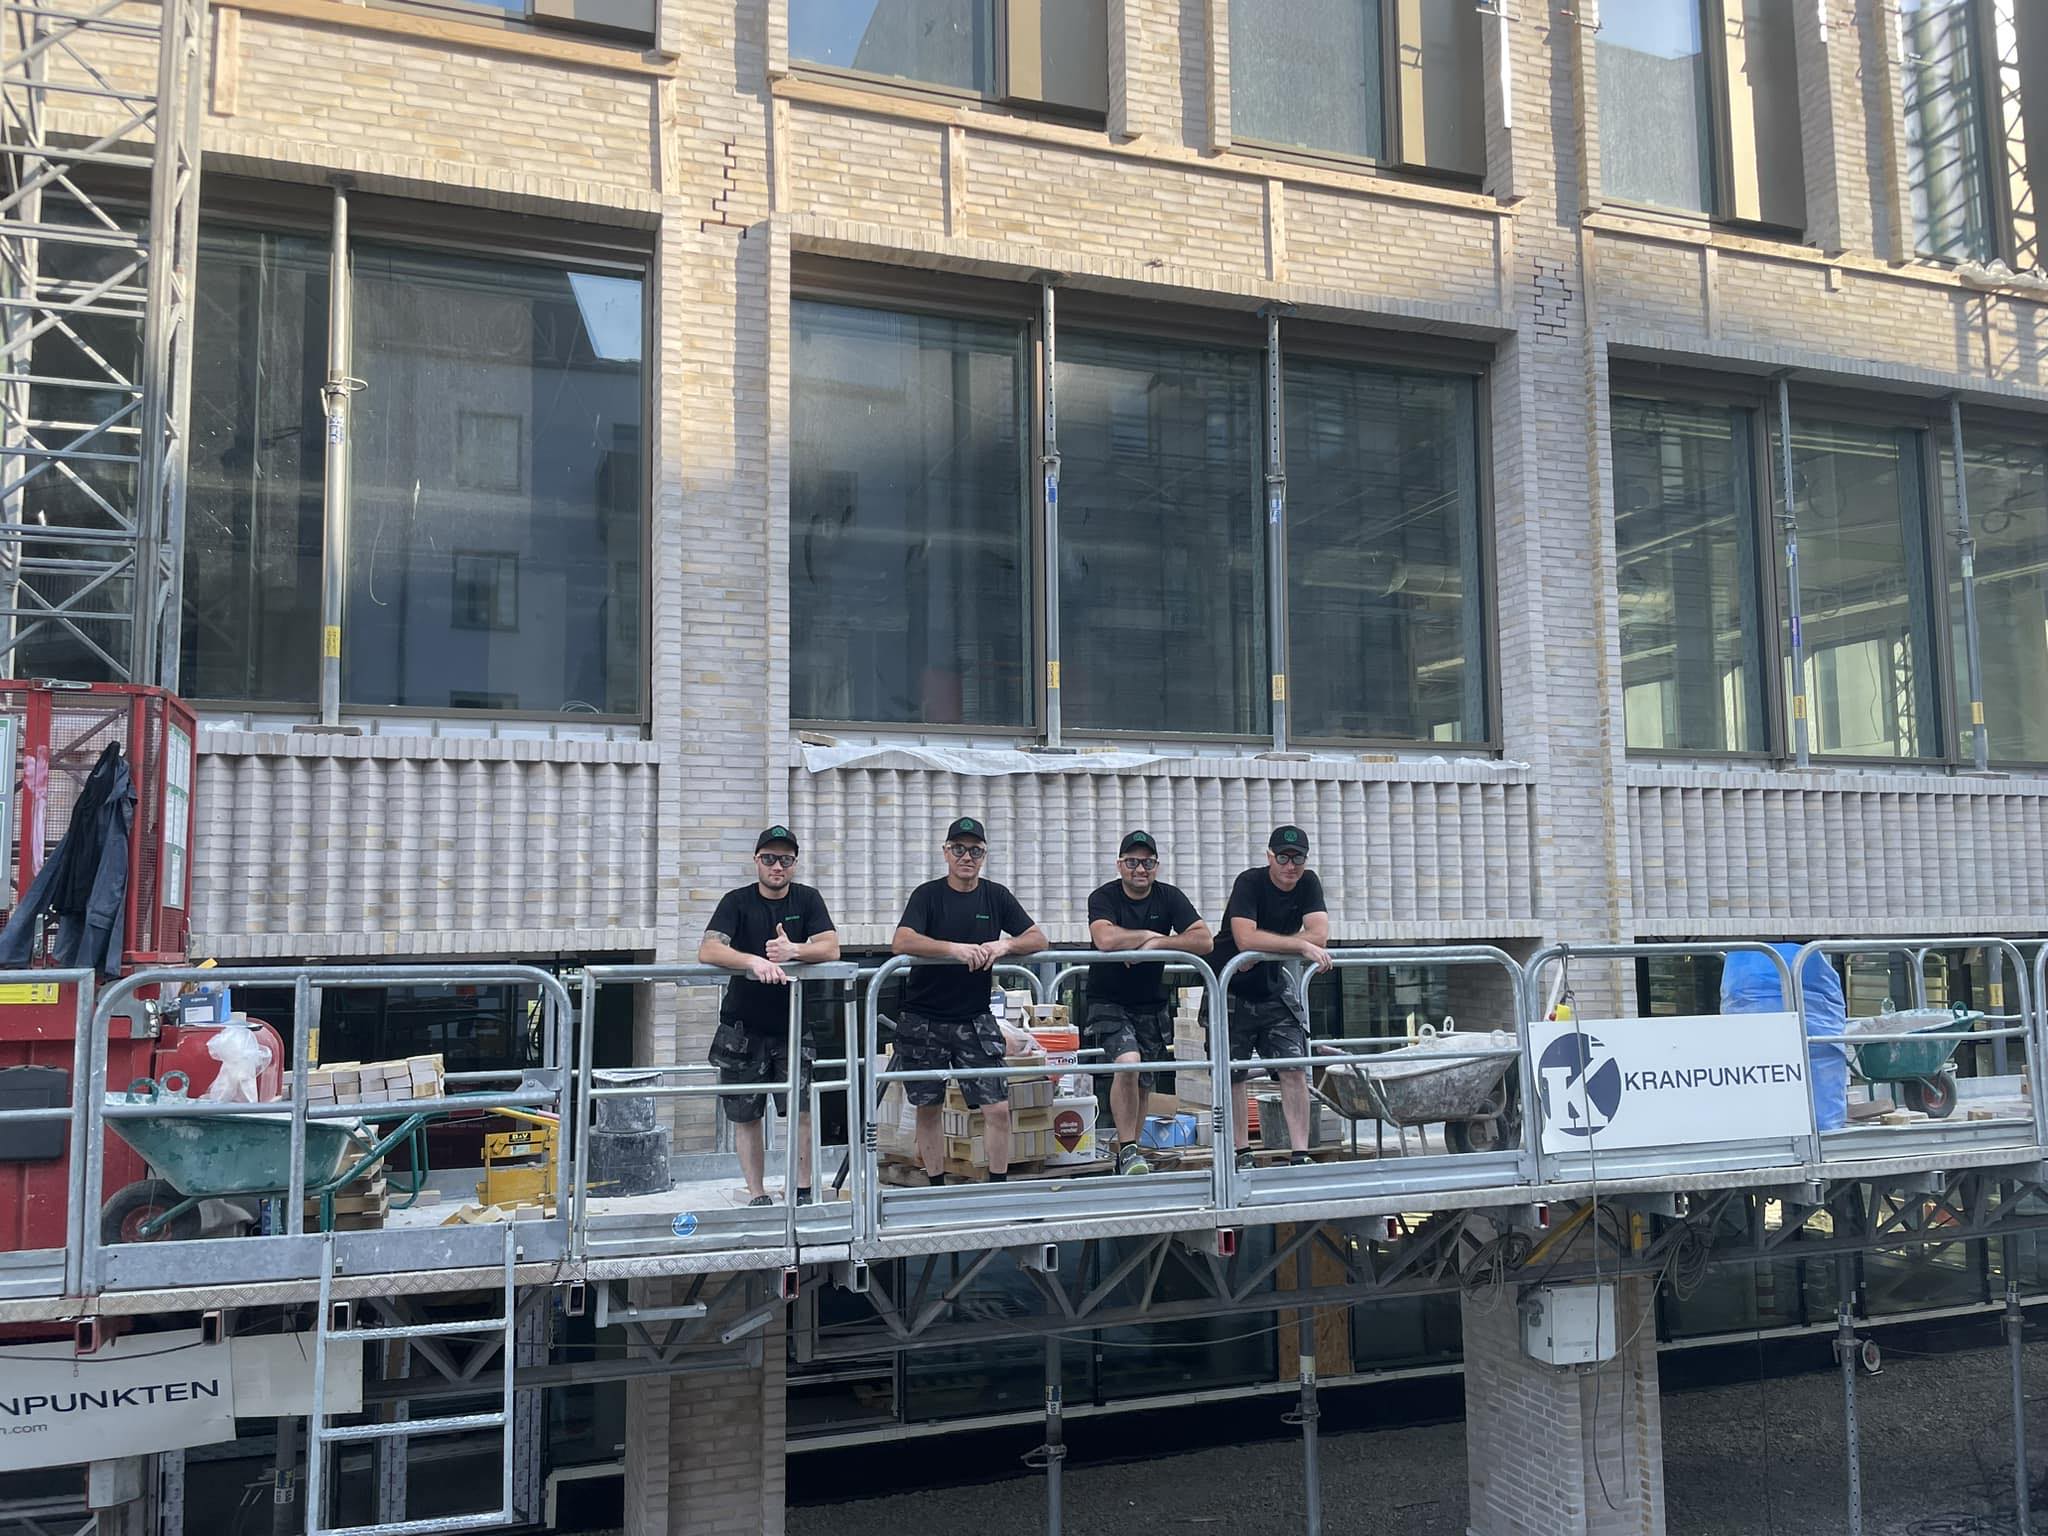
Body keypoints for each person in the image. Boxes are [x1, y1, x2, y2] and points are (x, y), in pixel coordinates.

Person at [891, 817, 1048, 1184]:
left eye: (975, 851)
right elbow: (902, 941)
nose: (967, 857)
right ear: (946, 853)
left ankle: (996, 1187)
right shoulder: (927, 895)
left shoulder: (996, 896)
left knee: (998, 1108)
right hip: (924, 1017)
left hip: (974, 1018)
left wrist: (1004, 945)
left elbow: (1038, 938)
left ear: (984, 855)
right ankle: (935, 1186)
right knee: (928, 1107)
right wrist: (954, 949)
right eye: (959, 849)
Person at [698, 826, 841, 1206]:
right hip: (742, 1028)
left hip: (793, 1026)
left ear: (794, 864)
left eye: (785, 860)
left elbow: (831, 948)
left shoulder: (808, 899)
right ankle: (757, 1194)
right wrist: (753, 961)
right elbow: (709, 949)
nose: (777, 866)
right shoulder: (736, 901)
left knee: (802, 1110)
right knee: (746, 1116)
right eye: (770, 858)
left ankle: (802, 1190)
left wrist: (794, 950)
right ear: (756, 861)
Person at [1086, 830, 1212, 1176]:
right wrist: (1148, 936)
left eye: (1148, 862)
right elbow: (1105, 938)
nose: (1140, 869)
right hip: (1108, 999)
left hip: (1151, 1003)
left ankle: (1130, 1152)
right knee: (1128, 1064)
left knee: (1143, 1080)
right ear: (1119, 865)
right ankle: (1128, 1149)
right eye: (1132, 862)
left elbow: (1204, 940)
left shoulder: (1169, 897)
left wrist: (1155, 946)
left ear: (1156, 866)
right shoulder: (1103, 896)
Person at [1209, 825, 1331, 1169]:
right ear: (1269, 857)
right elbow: (1245, 938)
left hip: (1272, 987)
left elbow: (1320, 934)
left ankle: (1300, 1153)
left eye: (1297, 858)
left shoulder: (1309, 883)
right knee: (1233, 1072)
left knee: (1294, 1066)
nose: (1290, 866)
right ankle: (1241, 1152)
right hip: (1230, 986)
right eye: (1283, 857)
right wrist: (1300, 945)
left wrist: (1278, 948)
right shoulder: (1249, 882)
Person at [1721, 943, 1849, 1132]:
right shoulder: (1809, 957)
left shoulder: (1745, 963)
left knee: (1758, 1065)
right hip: (1806, 968)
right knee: (1816, 1058)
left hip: (1749, 975)